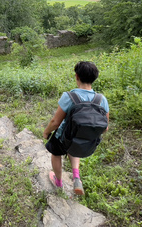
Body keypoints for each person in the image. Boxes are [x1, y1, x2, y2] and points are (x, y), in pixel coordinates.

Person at [43, 61, 109, 196]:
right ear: (94, 78)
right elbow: (105, 128)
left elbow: (55, 122)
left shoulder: (69, 96)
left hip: (64, 137)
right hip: (84, 140)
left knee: (56, 153)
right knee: (76, 143)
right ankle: (76, 177)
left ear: (77, 76)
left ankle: (59, 182)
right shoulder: (102, 99)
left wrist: (46, 132)